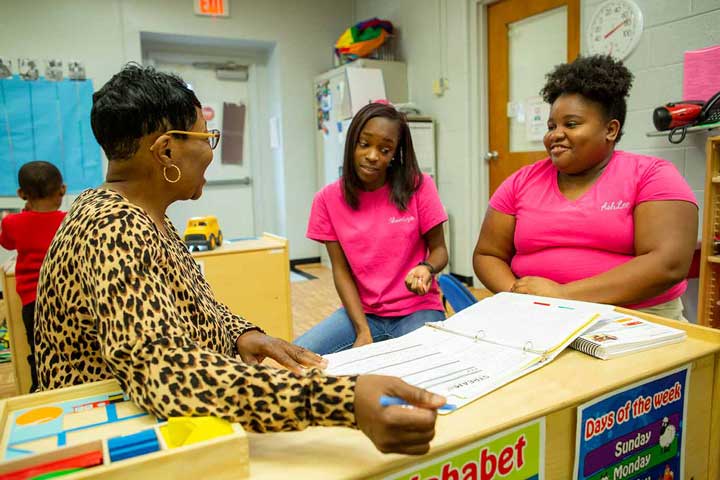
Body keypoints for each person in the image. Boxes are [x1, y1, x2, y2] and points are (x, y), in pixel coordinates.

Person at [33, 64, 445, 455]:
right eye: (205, 137)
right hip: (118, 439)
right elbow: (169, 376)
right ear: (165, 151)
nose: (211, 152)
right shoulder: (113, 228)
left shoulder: (146, 217)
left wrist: (242, 334)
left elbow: (193, 304)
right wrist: (342, 400)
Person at [473, 55, 698, 320]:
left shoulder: (652, 176)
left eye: (571, 124)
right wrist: (521, 295)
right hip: (535, 314)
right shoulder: (521, 182)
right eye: (551, 126)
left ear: (610, 130)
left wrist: (563, 296)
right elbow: (488, 254)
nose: (555, 134)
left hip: (634, 317)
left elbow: (668, 265)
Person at [294, 102, 448, 355]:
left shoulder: (419, 186)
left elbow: (439, 250)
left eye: (385, 149)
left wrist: (426, 268)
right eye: (365, 144)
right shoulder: (327, 199)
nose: (373, 156)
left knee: (428, 365)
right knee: (300, 354)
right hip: (364, 313)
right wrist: (363, 331)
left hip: (417, 309)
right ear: (352, 143)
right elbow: (341, 272)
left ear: (395, 153)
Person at [0, 161, 66, 392]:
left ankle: (40, 389)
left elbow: (7, 243)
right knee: (71, 346)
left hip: (33, 302)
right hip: (67, 298)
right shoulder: (68, 220)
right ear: (62, 190)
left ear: (21, 194)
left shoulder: (12, 223)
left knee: (38, 349)